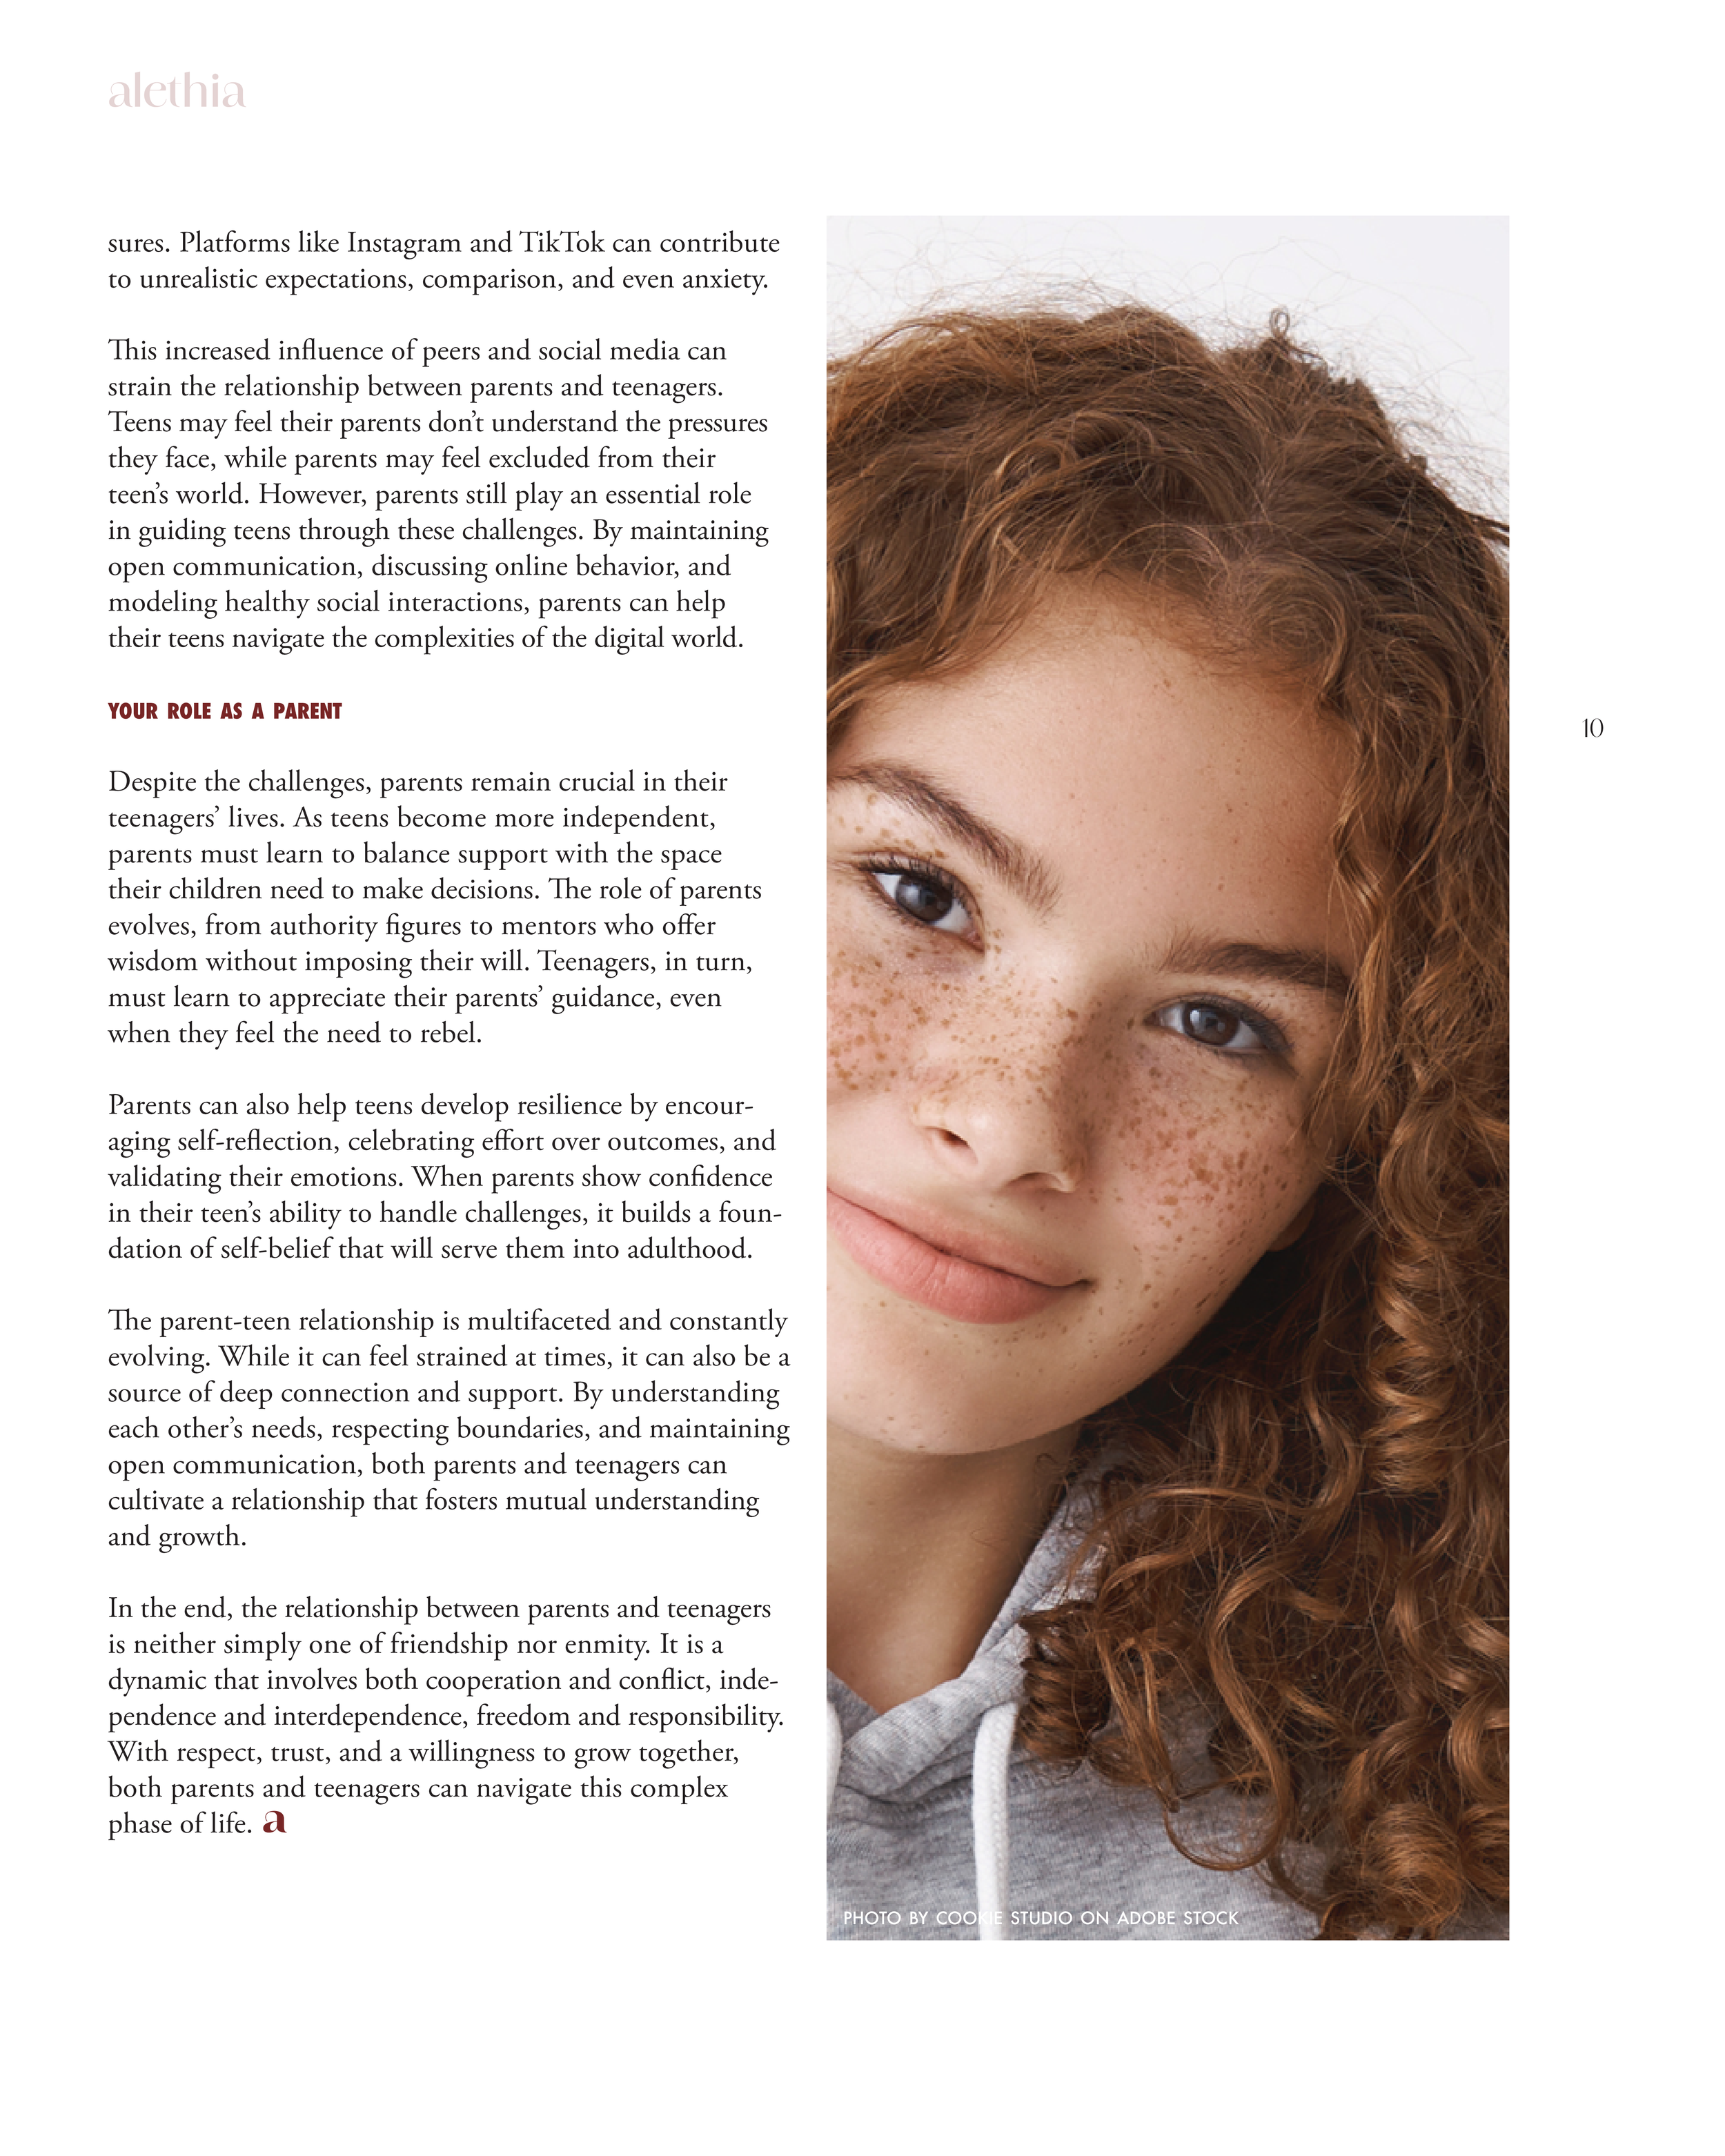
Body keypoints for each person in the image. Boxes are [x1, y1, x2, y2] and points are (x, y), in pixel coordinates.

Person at [825, 304, 1508, 1941]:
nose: (1006, 1121)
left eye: (1217, 1024)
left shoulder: (1464, 1838)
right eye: (918, 893)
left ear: (1347, 1157)